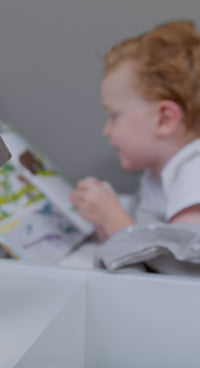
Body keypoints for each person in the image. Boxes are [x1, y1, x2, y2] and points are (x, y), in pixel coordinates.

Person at [70, 20, 200, 241]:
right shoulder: (155, 176)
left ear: (165, 119)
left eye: (115, 116)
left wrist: (112, 219)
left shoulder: (194, 175)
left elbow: (177, 264)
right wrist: (101, 220)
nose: (107, 130)